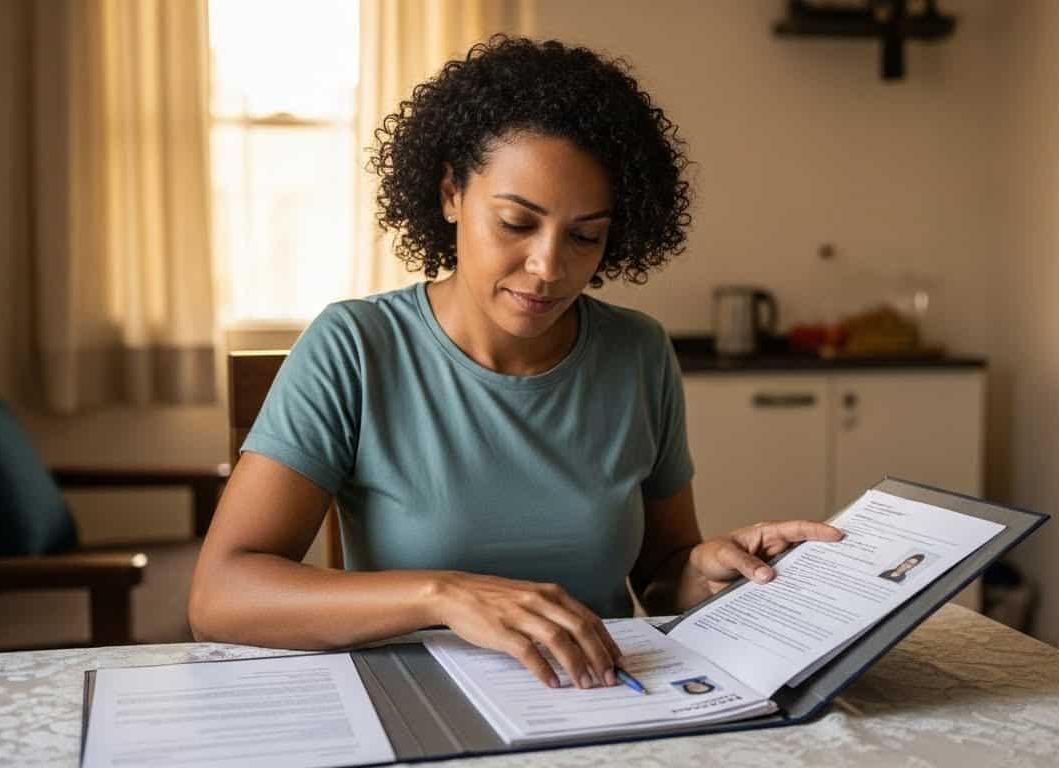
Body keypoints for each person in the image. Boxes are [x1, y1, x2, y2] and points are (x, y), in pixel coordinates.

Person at [188, 37, 842, 693]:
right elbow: (221, 595)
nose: (548, 267)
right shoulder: (356, 347)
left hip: (601, 698)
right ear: (451, 193)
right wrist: (444, 595)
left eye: (585, 235)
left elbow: (659, 576)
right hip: (424, 701)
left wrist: (709, 571)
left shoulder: (637, 352)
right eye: (514, 222)